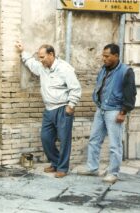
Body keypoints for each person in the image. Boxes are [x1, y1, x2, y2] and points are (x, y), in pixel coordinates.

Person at [15, 41, 82, 178]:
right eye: (39, 57)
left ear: (51, 54)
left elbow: (75, 88)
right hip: (49, 110)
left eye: (42, 57)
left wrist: (71, 106)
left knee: (64, 140)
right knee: (46, 138)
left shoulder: (65, 68)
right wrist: (23, 52)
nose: (40, 60)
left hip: (63, 108)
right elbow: (32, 64)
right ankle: (56, 162)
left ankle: (62, 168)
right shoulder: (42, 67)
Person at [78, 44, 137, 183]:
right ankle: (92, 168)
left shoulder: (126, 71)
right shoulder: (104, 69)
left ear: (116, 56)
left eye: (107, 56)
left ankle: (113, 173)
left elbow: (131, 94)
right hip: (101, 109)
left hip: (115, 110)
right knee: (94, 139)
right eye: (103, 55)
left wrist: (123, 112)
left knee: (115, 144)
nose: (103, 58)